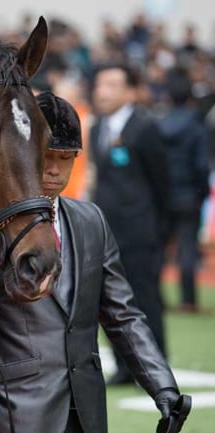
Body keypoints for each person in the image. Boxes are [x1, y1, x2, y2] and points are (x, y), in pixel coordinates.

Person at [0, 92, 181, 433]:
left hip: (87, 414)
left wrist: (163, 387)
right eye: (47, 155)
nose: (55, 169)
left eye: (67, 157)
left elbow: (123, 315)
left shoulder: (91, 220)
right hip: (13, 415)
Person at [89, 62, 169, 385]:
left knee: (145, 300)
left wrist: (159, 229)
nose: (101, 91)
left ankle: (157, 369)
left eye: (111, 85)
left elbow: (161, 183)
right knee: (109, 303)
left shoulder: (145, 127)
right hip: (105, 233)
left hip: (140, 231)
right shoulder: (96, 128)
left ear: (130, 91)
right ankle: (124, 366)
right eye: (99, 84)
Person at [158, 68, 210, 313]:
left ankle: (155, 296)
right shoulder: (196, 128)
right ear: (190, 99)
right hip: (188, 194)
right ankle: (188, 300)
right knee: (187, 249)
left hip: (164, 195)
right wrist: (201, 191)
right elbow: (201, 165)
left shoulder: (158, 125)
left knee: (158, 247)